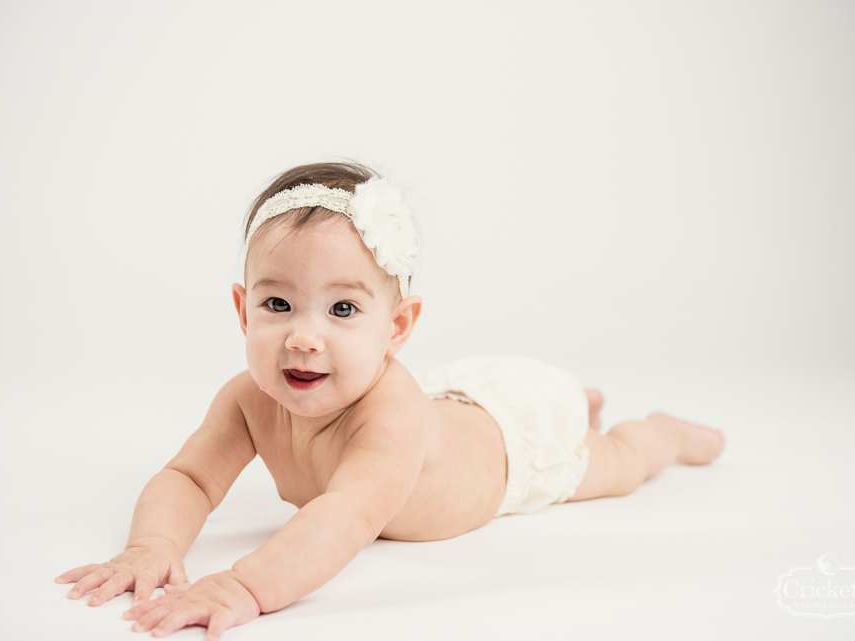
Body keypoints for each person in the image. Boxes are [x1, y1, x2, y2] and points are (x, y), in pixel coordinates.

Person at [55, 161, 725, 640]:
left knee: (611, 463)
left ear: (396, 328)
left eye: (342, 307)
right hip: (454, 410)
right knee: (491, 414)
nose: (304, 337)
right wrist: (151, 543)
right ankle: (580, 401)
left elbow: (345, 515)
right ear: (242, 308)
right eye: (278, 303)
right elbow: (190, 476)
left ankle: (653, 430)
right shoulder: (247, 400)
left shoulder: (390, 416)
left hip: (510, 455)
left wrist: (244, 584)